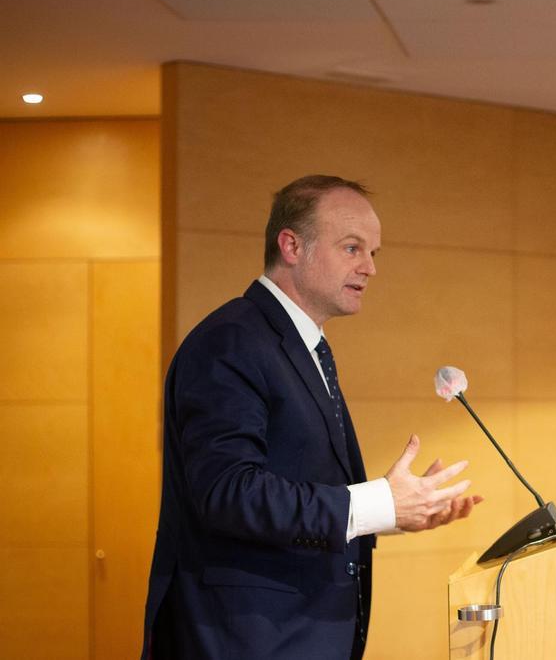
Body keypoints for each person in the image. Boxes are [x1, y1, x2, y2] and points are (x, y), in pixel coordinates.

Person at [142, 175, 482, 659]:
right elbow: (228, 493)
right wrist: (377, 504)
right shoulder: (231, 342)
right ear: (292, 246)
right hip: (244, 640)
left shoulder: (303, 346)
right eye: (352, 248)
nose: (370, 267)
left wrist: (399, 512)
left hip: (298, 637)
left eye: (374, 253)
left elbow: (300, 486)